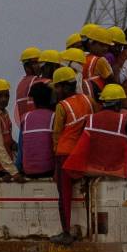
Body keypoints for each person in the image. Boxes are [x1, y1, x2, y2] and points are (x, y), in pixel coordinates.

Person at [64, 83, 127, 181]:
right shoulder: (123, 120)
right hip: (116, 171)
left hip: (93, 169)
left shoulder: (90, 119)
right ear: (119, 103)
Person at [49, 65, 93, 242]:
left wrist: (55, 162)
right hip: (84, 153)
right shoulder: (89, 101)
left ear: (66, 87)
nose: (57, 91)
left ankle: (66, 232)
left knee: (65, 195)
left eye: (58, 87)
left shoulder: (62, 106)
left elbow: (56, 135)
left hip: (65, 155)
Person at [19, 82, 57, 177]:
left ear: (34, 101)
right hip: (49, 171)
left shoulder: (25, 117)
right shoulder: (54, 116)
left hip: (28, 171)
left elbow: (21, 148)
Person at [15, 47, 43, 117]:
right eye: (36, 63)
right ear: (27, 66)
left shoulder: (21, 84)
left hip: (26, 124)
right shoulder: (35, 81)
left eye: (40, 62)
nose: (40, 65)